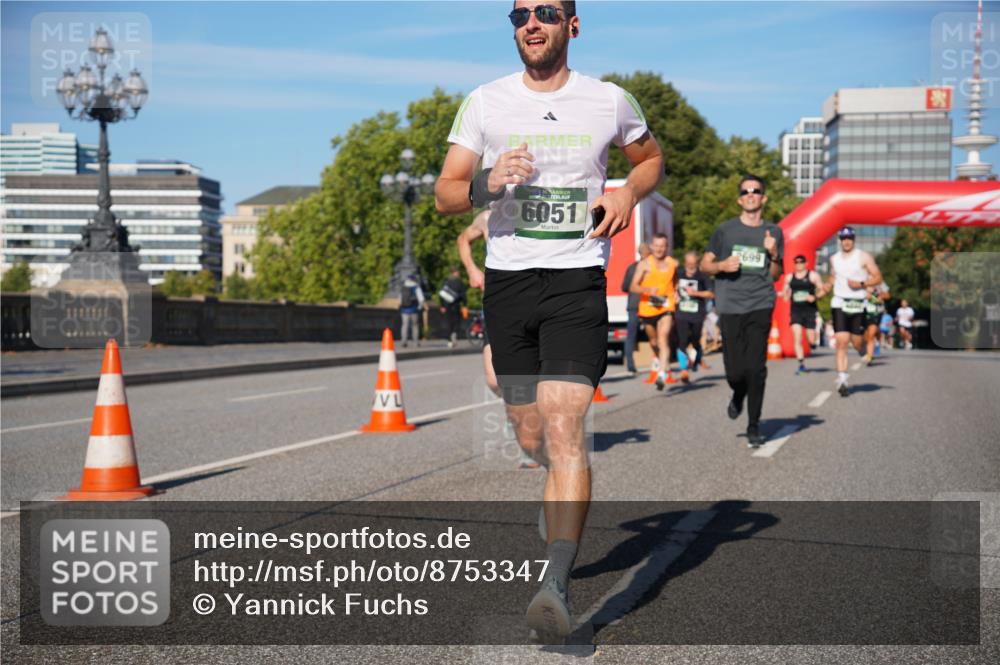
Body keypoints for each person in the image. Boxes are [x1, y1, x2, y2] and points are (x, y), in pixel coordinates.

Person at [434, 0, 664, 641]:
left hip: (575, 284)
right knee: (529, 429)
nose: (531, 23)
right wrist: (486, 181)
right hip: (509, 286)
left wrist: (625, 191)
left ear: (572, 25)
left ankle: (556, 583)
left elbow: (649, 160)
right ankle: (551, 478)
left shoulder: (609, 101)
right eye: (518, 14)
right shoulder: (484, 102)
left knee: (564, 423)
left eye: (545, 12)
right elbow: (445, 192)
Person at [700, 175, 784, 449]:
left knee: (757, 368)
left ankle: (754, 425)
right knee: (735, 372)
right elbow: (705, 265)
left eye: (756, 190)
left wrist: (773, 254)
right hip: (730, 305)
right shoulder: (725, 231)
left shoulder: (774, 232)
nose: (751, 194)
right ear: (739, 199)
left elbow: (775, 275)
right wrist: (721, 266)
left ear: (763, 197)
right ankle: (737, 394)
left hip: (760, 303)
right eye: (746, 191)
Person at [457, 209, 539, 469]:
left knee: (533, 379)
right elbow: (462, 239)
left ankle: (531, 446)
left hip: (535, 300)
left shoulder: (535, 209)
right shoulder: (486, 217)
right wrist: (472, 269)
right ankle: (515, 410)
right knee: (494, 379)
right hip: (498, 302)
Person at [824, 226, 883, 396]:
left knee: (857, 342)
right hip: (840, 302)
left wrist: (862, 284)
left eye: (849, 238)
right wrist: (827, 285)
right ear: (839, 240)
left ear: (854, 239)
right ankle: (842, 379)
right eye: (843, 238)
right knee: (841, 340)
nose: (846, 241)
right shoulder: (833, 258)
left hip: (858, 304)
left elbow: (878, 277)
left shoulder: (863, 257)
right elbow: (833, 276)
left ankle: (863, 349)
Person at [630, 233, 678, 390]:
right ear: (652, 247)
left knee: (663, 338)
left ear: (667, 247)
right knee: (654, 341)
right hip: (648, 308)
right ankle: (658, 358)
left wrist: (676, 292)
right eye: (656, 246)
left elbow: (674, 280)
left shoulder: (672, 263)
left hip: (666, 306)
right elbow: (633, 286)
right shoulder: (644, 265)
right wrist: (647, 289)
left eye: (662, 246)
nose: (659, 249)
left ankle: (662, 374)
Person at [780, 254, 826, 374]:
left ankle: (813, 342)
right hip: (796, 311)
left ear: (806, 263)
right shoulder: (789, 277)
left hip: (810, 310)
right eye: (796, 262)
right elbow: (785, 293)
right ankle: (801, 364)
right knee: (797, 336)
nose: (799, 264)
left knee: (811, 339)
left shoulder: (813, 275)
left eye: (801, 262)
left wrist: (814, 296)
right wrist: (785, 295)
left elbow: (822, 289)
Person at [675, 250, 714, 382]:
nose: (690, 266)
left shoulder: (702, 276)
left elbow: (710, 294)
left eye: (693, 263)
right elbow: (671, 286)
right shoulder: (679, 273)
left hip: (697, 313)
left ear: (697, 263)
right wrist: (674, 294)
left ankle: (697, 357)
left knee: (695, 340)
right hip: (681, 312)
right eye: (688, 263)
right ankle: (684, 370)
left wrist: (696, 293)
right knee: (683, 340)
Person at [621, 243, 651, 375]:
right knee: (654, 332)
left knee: (631, 335)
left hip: (633, 304)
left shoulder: (632, 268)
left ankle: (631, 365)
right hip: (649, 304)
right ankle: (657, 362)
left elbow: (624, 287)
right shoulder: (652, 267)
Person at [438, 267, 467, 349]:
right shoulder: (459, 281)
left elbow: (442, 294)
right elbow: (463, 295)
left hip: (447, 305)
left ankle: (449, 340)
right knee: (456, 321)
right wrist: (464, 304)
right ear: (456, 272)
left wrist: (442, 306)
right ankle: (454, 335)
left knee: (448, 322)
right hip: (456, 305)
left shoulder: (446, 281)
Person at [862, 281, 890, 363]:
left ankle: (870, 356)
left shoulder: (880, 283)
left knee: (871, 333)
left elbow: (887, 295)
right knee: (866, 334)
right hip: (862, 310)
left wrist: (877, 294)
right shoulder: (860, 279)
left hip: (876, 311)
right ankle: (870, 349)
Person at [398, 272, 426, 348]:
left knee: (404, 325)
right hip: (414, 309)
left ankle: (404, 341)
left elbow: (400, 299)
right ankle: (415, 342)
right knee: (415, 326)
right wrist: (419, 307)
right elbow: (421, 299)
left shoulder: (403, 287)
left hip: (404, 310)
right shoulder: (416, 287)